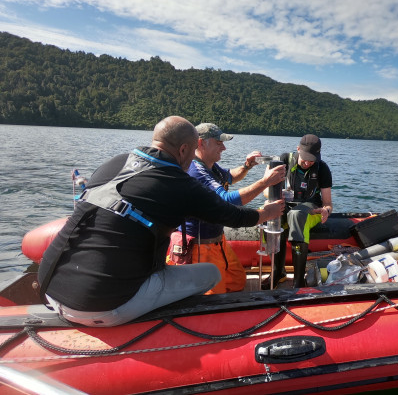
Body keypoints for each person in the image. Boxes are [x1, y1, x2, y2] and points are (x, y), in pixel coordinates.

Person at [38, 116, 284, 327]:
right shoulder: (181, 182)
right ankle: (182, 324)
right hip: (102, 307)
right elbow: (233, 214)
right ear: (185, 150)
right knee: (210, 274)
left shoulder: (117, 161)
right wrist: (266, 213)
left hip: (49, 287)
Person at [172, 122, 286, 294]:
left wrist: (247, 166)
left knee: (237, 281)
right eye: (218, 143)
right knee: (213, 299)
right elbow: (226, 202)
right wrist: (266, 182)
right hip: (201, 247)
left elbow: (230, 176)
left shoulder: (209, 165)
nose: (224, 147)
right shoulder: (196, 171)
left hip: (218, 241)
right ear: (200, 143)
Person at [263, 134, 333, 289]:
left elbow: (328, 203)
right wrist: (275, 195)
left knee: (296, 215)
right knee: (269, 212)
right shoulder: (283, 161)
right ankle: (278, 272)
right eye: (305, 158)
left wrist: (326, 211)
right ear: (298, 149)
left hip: (311, 208)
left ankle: (298, 280)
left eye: (312, 159)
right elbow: (266, 192)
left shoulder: (323, 168)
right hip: (286, 204)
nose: (308, 162)